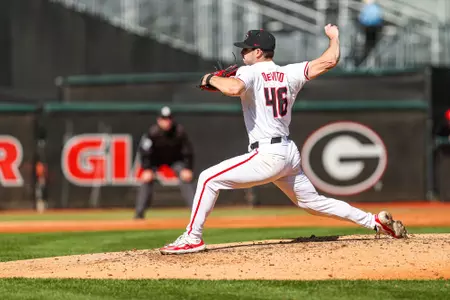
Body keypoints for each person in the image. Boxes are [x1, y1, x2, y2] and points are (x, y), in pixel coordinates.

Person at [160, 25, 407, 254]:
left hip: (268, 154)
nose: (242, 52)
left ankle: (192, 237)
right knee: (312, 203)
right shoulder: (289, 72)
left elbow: (234, 88)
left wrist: (210, 78)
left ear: (258, 52)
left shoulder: (249, 71)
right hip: (288, 152)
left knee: (207, 178)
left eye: (245, 48)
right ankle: (374, 222)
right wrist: (334, 37)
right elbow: (330, 60)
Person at [134, 106, 195, 219]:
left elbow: (188, 151)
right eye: (164, 118)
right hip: (155, 162)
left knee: (186, 177)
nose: (166, 121)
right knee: (146, 179)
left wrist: (188, 168)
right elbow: (144, 152)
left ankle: (196, 212)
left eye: (168, 118)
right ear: (159, 120)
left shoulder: (179, 132)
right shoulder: (152, 133)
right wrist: (146, 169)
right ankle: (139, 214)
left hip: (175, 161)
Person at [358, 0, 383, 64]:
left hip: (370, 28)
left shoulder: (370, 8)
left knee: (369, 44)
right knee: (371, 44)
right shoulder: (374, 7)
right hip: (371, 28)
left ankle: (367, 56)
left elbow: (362, 19)